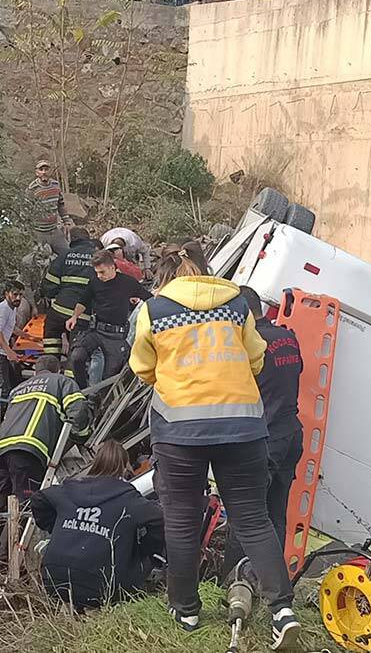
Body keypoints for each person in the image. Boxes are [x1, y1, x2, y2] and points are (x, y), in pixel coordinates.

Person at [129, 250, 300, 650]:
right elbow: (256, 359)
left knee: (183, 521)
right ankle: (282, 611)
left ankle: (186, 609)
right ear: (205, 273)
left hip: (180, 431)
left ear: (165, 278)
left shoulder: (154, 310)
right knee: (254, 520)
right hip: (242, 427)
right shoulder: (237, 304)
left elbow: (142, 367)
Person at [220, 286, 304, 578]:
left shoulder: (249, 346)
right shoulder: (287, 338)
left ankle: (232, 583)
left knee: (245, 516)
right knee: (275, 515)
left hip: (264, 439)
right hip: (291, 434)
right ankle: (271, 583)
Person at [31, 440, 165, 610]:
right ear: (124, 466)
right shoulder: (128, 499)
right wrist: (144, 549)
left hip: (54, 580)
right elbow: (161, 519)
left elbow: (38, 499)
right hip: (104, 587)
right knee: (145, 562)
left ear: (96, 462)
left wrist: (57, 527)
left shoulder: (68, 490)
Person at [0, 355, 91, 562]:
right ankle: (4, 562)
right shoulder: (62, 382)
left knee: (0, 503)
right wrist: (80, 437)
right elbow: (78, 412)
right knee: (25, 507)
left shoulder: (19, 388)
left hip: (3, 448)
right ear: (57, 370)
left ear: (36, 371)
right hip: (29, 449)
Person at [67, 250, 151, 385]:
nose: (99, 276)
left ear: (112, 267)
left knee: (108, 377)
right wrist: (74, 317)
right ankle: (82, 391)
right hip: (97, 331)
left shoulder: (128, 282)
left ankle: (98, 400)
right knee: (77, 357)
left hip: (116, 336)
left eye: (102, 272)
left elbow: (148, 298)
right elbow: (83, 301)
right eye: (97, 272)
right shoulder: (95, 282)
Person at [42, 227, 96, 364]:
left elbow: (49, 284)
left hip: (59, 310)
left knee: (51, 338)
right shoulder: (98, 258)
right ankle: (72, 381)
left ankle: (50, 368)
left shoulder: (64, 255)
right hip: (82, 315)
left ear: (72, 239)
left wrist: (55, 296)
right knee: (76, 351)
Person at [0, 281, 26, 403]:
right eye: (15, 294)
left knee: (14, 385)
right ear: (6, 294)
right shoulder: (2, 310)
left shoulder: (12, 308)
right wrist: (9, 351)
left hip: (2, 354)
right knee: (2, 391)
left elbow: (11, 327)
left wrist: (29, 337)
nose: (18, 298)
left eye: (21, 295)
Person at [28, 159, 69, 256]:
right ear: (37, 172)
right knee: (41, 259)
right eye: (41, 170)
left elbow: (61, 204)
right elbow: (26, 210)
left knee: (67, 254)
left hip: (54, 230)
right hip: (39, 233)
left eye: (46, 169)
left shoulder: (55, 185)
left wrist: (66, 221)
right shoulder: (32, 189)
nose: (44, 172)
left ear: (50, 171)